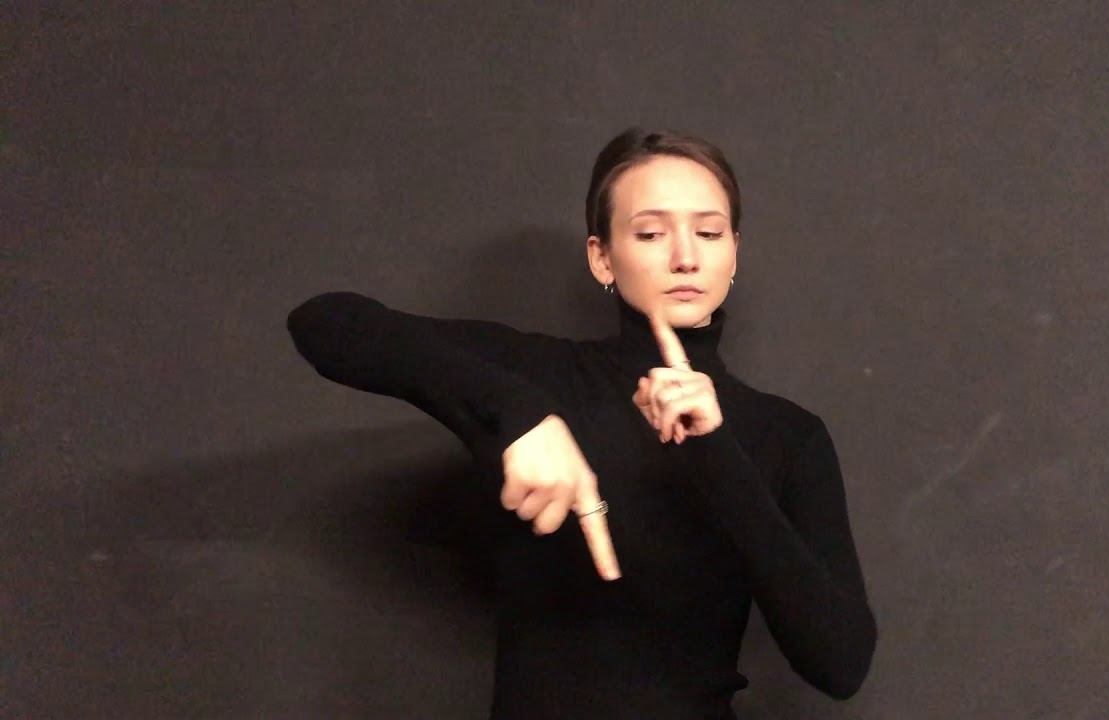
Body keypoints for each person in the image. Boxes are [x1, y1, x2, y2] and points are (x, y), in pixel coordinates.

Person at [286, 127, 877, 719]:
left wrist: (719, 453)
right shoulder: (540, 376)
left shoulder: (787, 436)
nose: (686, 257)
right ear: (601, 258)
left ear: (734, 253)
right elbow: (327, 323)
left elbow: (841, 662)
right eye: (650, 233)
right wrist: (522, 415)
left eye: (708, 232)